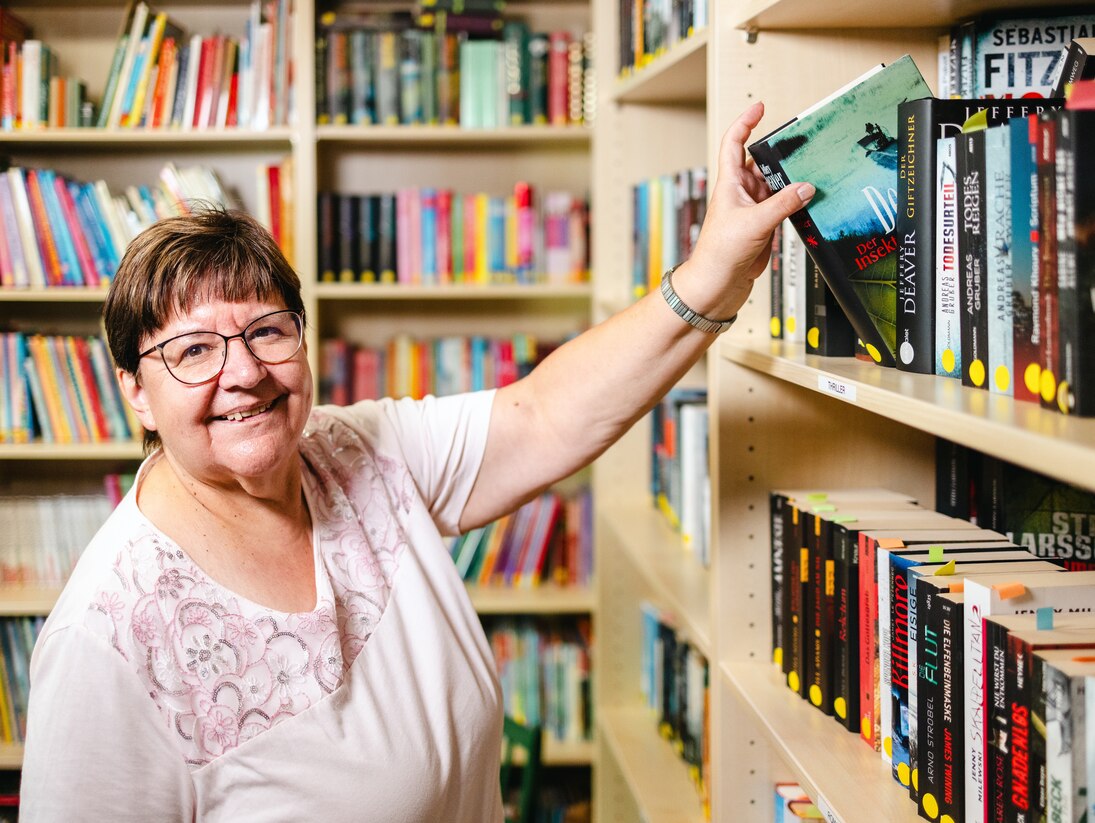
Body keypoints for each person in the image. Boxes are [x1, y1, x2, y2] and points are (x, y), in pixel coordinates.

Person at [20, 102, 813, 821]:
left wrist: (714, 268)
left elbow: (544, 415)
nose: (245, 373)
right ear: (133, 390)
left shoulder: (352, 448)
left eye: (266, 330)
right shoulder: (109, 641)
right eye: (192, 350)